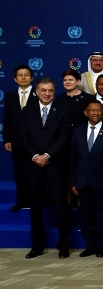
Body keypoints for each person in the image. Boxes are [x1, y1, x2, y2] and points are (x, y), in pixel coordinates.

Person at [20, 78, 72, 258]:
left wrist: (47, 156)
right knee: (35, 207)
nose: (47, 94)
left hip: (55, 165)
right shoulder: (27, 111)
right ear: (36, 92)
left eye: (50, 90)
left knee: (60, 207)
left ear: (54, 91)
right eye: (43, 90)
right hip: (33, 167)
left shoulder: (63, 110)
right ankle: (37, 245)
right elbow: (23, 139)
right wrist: (35, 156)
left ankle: (64, 245)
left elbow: (64, 138)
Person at [70, 101, 103, 257]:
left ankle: (101, 245)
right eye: (92, 110)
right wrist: (73, 181)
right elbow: (73, 158)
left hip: (102, 182)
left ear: (102, 113)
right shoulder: (77, 131)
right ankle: (89, 245)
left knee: (101, 215)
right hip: (82, 181)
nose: (96, 113)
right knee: (86, 215)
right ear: (86, 112)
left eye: (98, 110)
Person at [4, 65, 36, 212]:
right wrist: (6, 139)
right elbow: (7, 120)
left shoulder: (39, 94)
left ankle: (36, 200)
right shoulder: (10, 96)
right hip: (16, 142)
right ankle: (21, 201)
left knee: (35, 173)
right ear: (15, 79)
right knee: (19, 172)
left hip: (34, 143)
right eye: (20, 75)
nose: (23, 77)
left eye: (26, 75)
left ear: (32, 78)